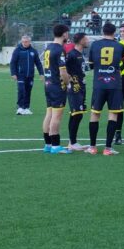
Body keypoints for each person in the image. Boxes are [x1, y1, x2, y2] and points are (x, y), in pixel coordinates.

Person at [86, 23, 124, 156]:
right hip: (114, 85)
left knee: (95, 114)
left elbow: (91, 65)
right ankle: (108, 149)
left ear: (102, 31)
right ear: (114, 32)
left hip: (99, 84)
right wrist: (117, 70)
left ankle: (92, 147)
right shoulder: (120, 46)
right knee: (113, 114)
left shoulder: (95, 45)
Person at [42, 24, 71, 154]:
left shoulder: (48, 47)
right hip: (57, 86)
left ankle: (48, 144)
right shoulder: (60, 49)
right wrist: (68, 83)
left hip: (48, 85)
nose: (68, 35)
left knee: (49, 113)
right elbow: (63, 72)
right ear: (64, 34)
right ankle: (55, 145)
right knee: (56, 116)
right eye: (67, 33)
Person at [65, 32, 89, 151]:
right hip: (75, 87)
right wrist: (69, 83)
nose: (88, 41)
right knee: (76, 114)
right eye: (86, 39)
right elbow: (63, 69)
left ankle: (72, 141)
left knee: (78, 114)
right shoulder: (72, 54)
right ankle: (72, 142)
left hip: (81, 87)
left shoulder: (80, 54)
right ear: (81, 41)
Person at [10, 35, 44, 115]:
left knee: (28, 91)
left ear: (29, 42)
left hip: (30, 75)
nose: (24, 43)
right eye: (23, 41)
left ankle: (26, 108)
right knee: (21, 90)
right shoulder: (17, 50)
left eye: (26, 42)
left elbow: (38, 63)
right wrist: (13, 73)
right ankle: (20, 107)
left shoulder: (33, 51)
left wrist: (41, 73)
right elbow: (13, 63)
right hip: (20, 75)